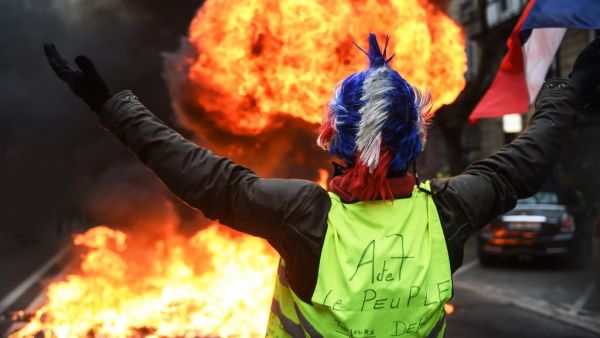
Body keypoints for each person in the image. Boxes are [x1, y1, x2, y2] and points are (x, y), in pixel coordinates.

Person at [44, 33, 599, 337]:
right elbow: (525, 161)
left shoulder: (305, 216)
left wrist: (111, 107)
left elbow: (203, 178)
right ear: (416, 139)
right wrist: (568, 92)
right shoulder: (448, 212)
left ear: (334, 139)